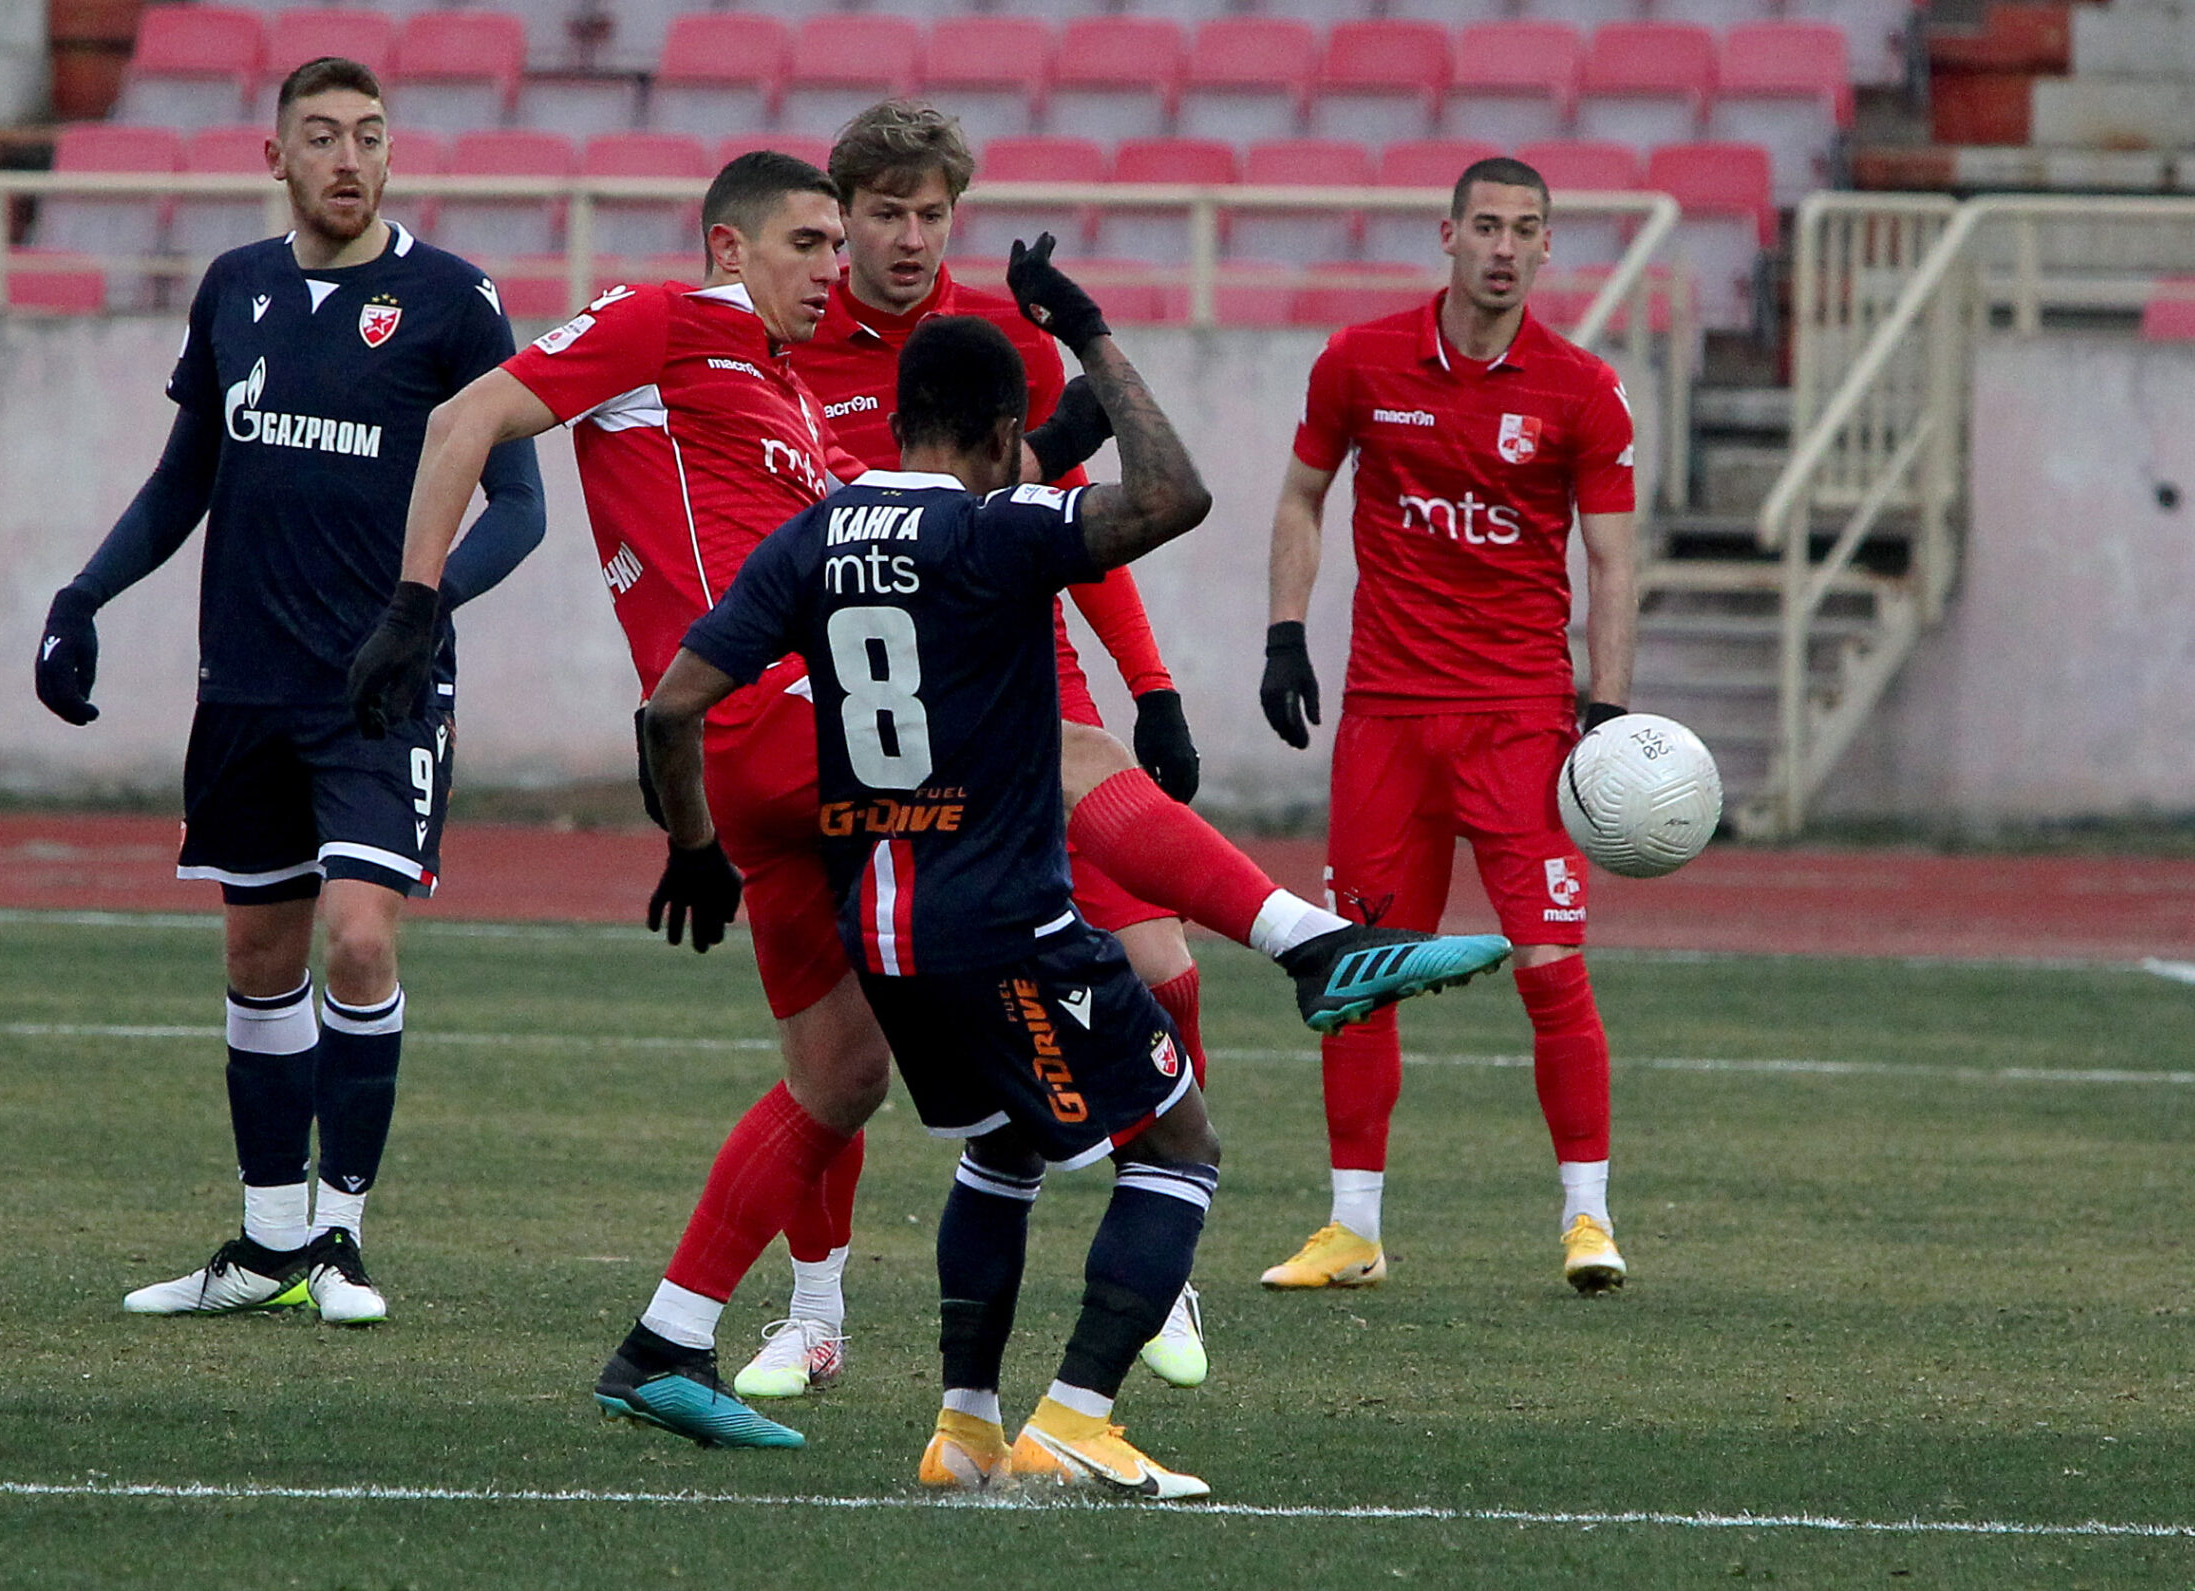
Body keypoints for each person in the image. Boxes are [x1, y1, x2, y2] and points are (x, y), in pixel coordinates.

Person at [350, 159, 1508, 1450]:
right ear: (730, 247)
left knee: (840, 1076)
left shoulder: (793, 399)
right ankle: (1316, 944)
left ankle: (665, 1339)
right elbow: (464, 418)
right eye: (807, 241)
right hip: (773, 716)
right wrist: (415, 599)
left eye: (837, 243)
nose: (828, 266)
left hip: (746, 762)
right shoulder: (662, 323)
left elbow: (966, 504)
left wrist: (694, 838)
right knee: (1055, 746)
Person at [639, 288, 1233, 1497]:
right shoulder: (995, 531)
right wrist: (1094, 340)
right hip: (1005, 907)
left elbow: (668, 707)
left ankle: (962, 1429)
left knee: (1000, 1151)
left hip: (883, 927)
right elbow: (1173, 496)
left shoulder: (811, 536)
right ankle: (1074, 1416)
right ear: (1005, 430)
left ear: (900, 418)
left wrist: (692, 842)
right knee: (1177, 1143)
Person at [739, 97, 1260, 1397]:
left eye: (933, 214)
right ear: (839, 218)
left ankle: (1160, 1252)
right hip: (881, 738)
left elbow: (1079, 522)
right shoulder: (789, 349)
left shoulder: (987, 343)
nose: (912, 237)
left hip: (1036, 711)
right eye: (887, 213)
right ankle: (814, 1312)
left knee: (1159, 956)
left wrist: (1154, 686)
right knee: (841, 1045)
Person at [32, 55, 546, 1326]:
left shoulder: (451, 303)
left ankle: (342, 1235)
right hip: (246, 684)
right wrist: (83, 596)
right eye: (320, 136)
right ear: (276, 159)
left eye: (368, 135)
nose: (347, 158)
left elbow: (522, 511)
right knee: (258, 952)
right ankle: (265, 1246)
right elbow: (181, 481)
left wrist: (417, 617)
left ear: (389, 155)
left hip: (378, 692)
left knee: (359, 937)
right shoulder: (235, 291)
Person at [1256, 157, 1639, 1297]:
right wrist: (1285, 632)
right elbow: (1299, 493)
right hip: (1385, 721)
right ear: (1447, 234)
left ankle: (1587, 1217)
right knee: (1360, 974)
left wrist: (1606, 712)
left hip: (1521, 722)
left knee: (1550, 966)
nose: (1504, 247)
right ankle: (1353, 1227)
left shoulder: (1581, 388)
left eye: (1526, 228)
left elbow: (1612, 556)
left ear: (1547, 247)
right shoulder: (1359, 360)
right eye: (1486, 226)